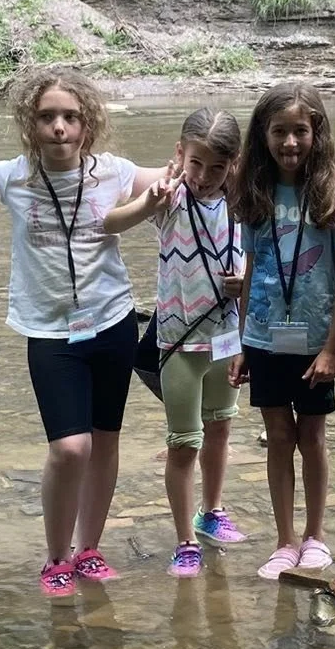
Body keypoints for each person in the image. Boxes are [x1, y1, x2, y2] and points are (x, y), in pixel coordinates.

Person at [0, 68, 166, 597]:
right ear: (31, 124)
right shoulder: (15, 177)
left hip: (113, 321)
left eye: (70, 117)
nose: (59, 127)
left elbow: (175, 173)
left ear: (87, 123)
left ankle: (89, 549)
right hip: (50, 333)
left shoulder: (114, 173)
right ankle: (56, 557)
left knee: (104, 441)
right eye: (47, 117)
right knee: (69, 449)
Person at [106, 108, 247, 577]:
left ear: (234, 164)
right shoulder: (169, 201)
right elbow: (112, 222)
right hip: (178, 341)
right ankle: (185, 538)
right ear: (179, 155)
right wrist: (151, 198)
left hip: (226, 338)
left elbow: (259, 259)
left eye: (216, 167)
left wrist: (243, 280)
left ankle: (213, 511)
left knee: (221, 428)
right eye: (195, 164)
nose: (204, 176)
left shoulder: (244, 204)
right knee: (184, 443)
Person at [230, 83, 335, 579]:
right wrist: (241, 342)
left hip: (314, 343)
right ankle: (284, 540)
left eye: (299, 131)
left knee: (313, 437)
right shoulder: (254, 194)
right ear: (262, 136)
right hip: (264, 337)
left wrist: (333, 348)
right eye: (278, 131)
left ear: (316, 134)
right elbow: (253, 265)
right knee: (278, 437)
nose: (289, 142)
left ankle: (316, 537)